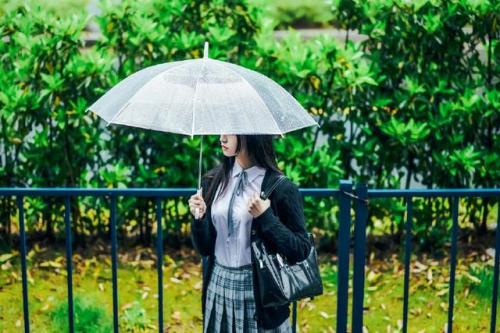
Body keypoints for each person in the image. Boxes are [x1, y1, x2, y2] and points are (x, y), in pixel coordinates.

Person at [188, 134, 311, 332]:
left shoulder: (281, 188)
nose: (222, 137)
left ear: (250, 134)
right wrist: (199, 218)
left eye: (230, 130)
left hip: (259, 291)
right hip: (218, 284)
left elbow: (301, 249)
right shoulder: (213, 181)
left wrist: (266, 217)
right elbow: (205, 248)